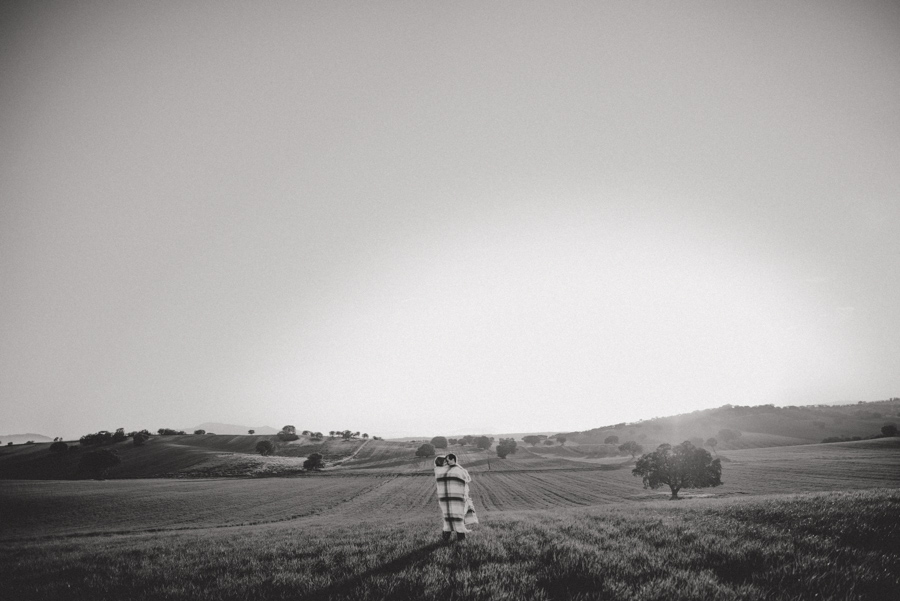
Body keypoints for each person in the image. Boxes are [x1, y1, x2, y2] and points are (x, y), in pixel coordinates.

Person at [433, 453, 478, 541]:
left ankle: (445, 538)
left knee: (447, 517)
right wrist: (455, 463)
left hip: (444, 499)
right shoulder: (456, 469)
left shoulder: (437, 470)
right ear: (445, 462)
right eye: (446, 460)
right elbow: (467, 477)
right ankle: (461, 538)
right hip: (456, 499)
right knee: (458, 516)